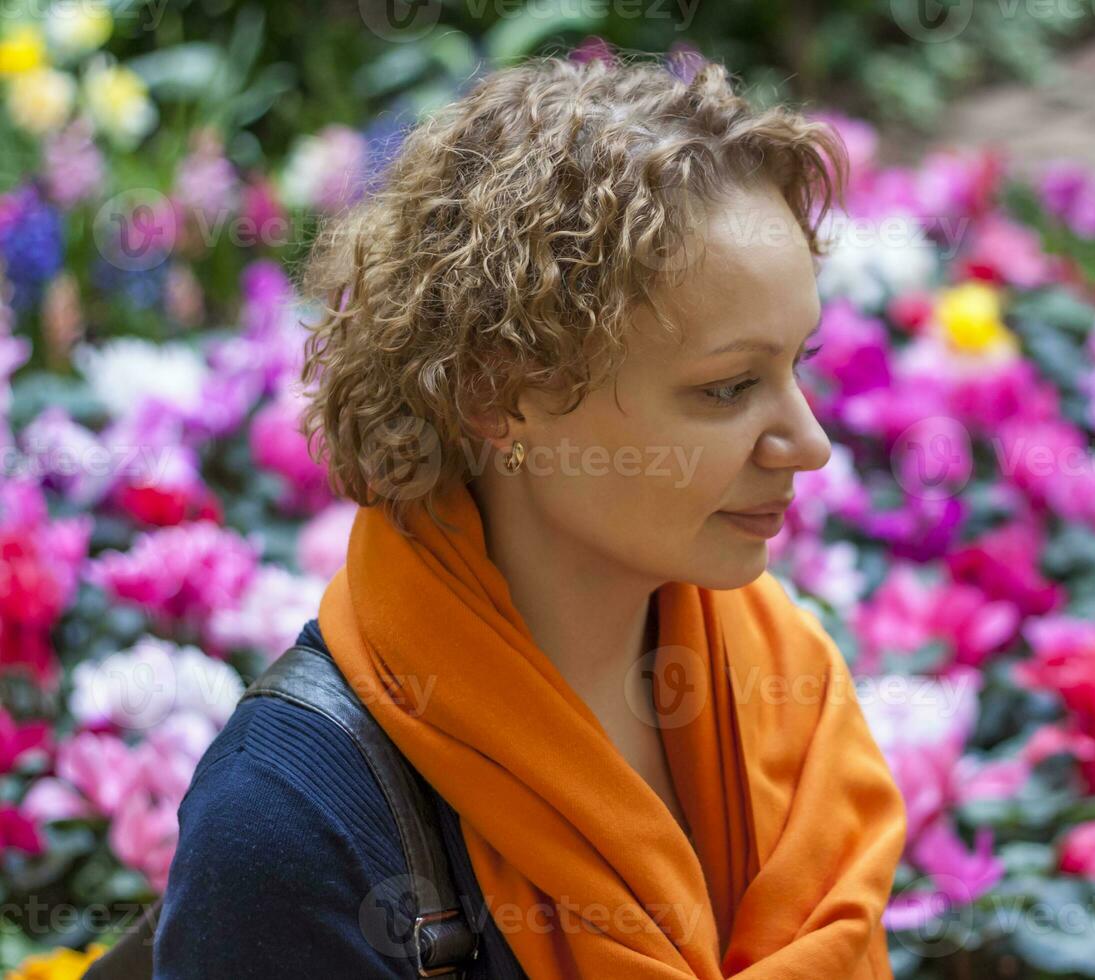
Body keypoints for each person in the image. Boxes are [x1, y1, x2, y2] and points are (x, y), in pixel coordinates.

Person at [155, 48, 907, 979]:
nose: (809, 442)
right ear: (496, 395)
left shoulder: (787, 689)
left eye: (799, 364)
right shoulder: (291, 821)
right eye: (727, 389)